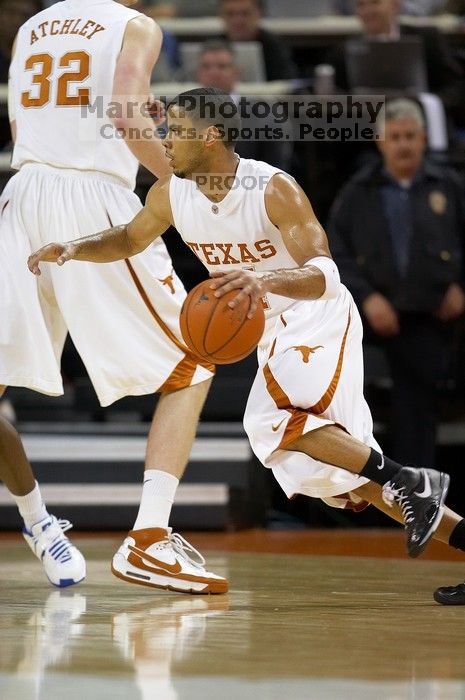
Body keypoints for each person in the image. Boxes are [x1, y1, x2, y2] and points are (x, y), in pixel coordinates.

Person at [29, 87, 465, 574]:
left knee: (270, 422)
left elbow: (327, 274)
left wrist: (264, 280)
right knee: (332, 472)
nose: (166, 142)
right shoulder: (170, 193)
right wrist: (72, 247)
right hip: (269, 330)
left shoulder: (273, 189)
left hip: (314, 316)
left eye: (177, 132)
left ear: (211, 136)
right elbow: (130, 237)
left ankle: (409, 480)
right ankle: (419, 494)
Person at [0, 0, 227, 594]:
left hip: (19, 196)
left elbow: (29, 127)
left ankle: (36, 520)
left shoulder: (30, 27)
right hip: (89, 197)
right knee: (194, 361)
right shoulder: (135, 25)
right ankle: (149, 540)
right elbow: (126, 116)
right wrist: (193, 188)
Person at [327, 98, 465, 469]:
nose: (403, 144)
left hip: (430, 314)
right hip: (368, 317)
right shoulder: (357, 192)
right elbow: (334, 252)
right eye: (395, 137)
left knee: (417, 397)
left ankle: (417, 485)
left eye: (410, 136)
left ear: (423, 139)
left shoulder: (450, 186)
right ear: (380, 142)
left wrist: (459, 285)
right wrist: (368, 297)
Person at [328, 0, 464, 124]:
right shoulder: (344, 51)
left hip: (423, 125)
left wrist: (429, 105)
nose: (368, 11)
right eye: (361, 5)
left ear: (395, 5)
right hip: (369, 132)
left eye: (375, 3)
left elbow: (456, 86)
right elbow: (338, 97)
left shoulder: (427, 40)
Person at [195, 41, 293, 171]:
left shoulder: (265, 117)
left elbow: (276, 169)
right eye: (206, 67)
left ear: (236, 72)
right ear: (198, 73)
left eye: (222, 66)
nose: (214, 73)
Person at [218, 0, 297, 81]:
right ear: (221, 16)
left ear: (259, 14)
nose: (238, 20)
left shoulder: (275, 46)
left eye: (245, 13)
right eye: (230, 14)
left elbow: (287, 82)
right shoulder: (214, 45)